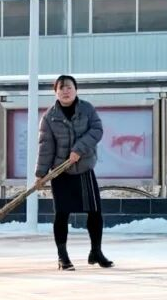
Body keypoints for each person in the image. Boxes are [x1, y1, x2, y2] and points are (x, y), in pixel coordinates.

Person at [35, 75, 113, 271]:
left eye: (69, 87)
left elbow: (97, 130)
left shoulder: (87, 109)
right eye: (61, 88)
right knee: (62, 214)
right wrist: (40, 174)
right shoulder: (49, 117)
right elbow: (45, 147)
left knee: (95, 212)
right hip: (60, 171)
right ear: (55, 92)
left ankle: (96, 251)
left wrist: (79, 149)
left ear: (76, 90)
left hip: (84, 167)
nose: (65, 91)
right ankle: (63, 256)